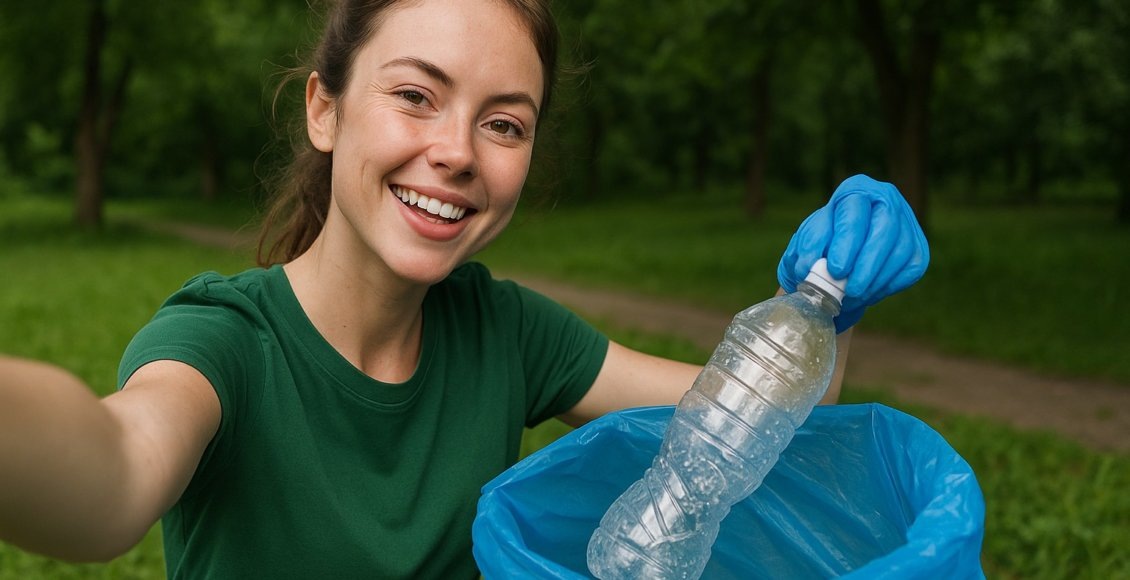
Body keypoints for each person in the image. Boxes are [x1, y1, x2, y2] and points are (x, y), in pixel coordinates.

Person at [0, 0, 929, 577]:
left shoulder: (505, 332)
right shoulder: (227, 343)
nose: (455, 151)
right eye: (415, 95)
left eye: (504, 124)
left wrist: (826, 302)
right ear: (325, 109)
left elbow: (759, 421)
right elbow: (114, 477)